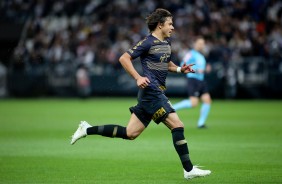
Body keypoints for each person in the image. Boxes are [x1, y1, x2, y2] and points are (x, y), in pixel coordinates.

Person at [71, 8, 211, 180]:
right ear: (160, 25)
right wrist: (138, 77)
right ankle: (188, 170)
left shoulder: (166, 44)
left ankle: (87, 129)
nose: (173, 27)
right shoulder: (147, 42)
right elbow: (124, 58)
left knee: (130, 133)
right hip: (152, 92)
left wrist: (181, 69)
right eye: (170, 24)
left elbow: (166, 64)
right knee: (177, 125)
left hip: (149, 96)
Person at [173, 38, 212, 129]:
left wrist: (206, 69)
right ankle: (171, 108)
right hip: (193, 80)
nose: (201, 45)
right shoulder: (191, 54)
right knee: (193, 103)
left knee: (207, 100)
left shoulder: (201, 55)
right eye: (199, 43)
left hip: (201, 81)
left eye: (202, 43)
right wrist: (196, 70)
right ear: (195, 44)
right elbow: (183, 65)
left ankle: (201, 123)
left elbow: (201, 68)